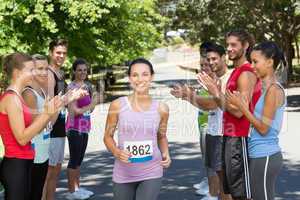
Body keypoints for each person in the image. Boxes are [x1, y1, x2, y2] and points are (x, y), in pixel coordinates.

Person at [198, 29, 261, 200]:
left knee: (242, 194)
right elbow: (226, 107)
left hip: (240, 139)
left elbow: (240, 112)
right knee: (231, 192)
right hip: (228, 137)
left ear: (246, 46)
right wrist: (216, 92)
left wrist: (215, 92)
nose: (229, 48)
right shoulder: (236, 72)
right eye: (228, 45)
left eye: (234, 45)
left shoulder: (246, 73)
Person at [103, 58, 171, 200]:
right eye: (135, 75)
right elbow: (107, 137)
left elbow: (161, 136)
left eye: (145, 74)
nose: (140, 79)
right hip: (123, 172)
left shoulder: (162, 108)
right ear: (129, 78)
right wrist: (116, 152)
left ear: (152, 77)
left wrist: (166, 154)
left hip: (152, 171)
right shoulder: (117, 105)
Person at [171, 42, 232, 200]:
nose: (209, 64)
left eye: (213, 60)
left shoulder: (226, 78)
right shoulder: (213, 79)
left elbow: (212, 104)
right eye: (206, 62)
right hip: (213, 130)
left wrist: (187, 95)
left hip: (222, 134)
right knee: (215, 171)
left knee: (226, 184)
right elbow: (206, 104)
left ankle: (212, 195)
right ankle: (213, 194)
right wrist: (188, 95)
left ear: (223, 58)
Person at [226, 41, 286, 200]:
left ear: (270, 62)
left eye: (255, 61)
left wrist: (242, 107)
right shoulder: (266, 89)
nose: (252, 66)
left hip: (266, 155)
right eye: (251, 61)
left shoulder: (273, 90)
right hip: (258, 154)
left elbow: (264, 128)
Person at [0, 52, 63, 200]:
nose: (33, 73)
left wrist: (50, 111)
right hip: (16, 165)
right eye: (30, 70)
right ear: (17, 72)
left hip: (25, 161)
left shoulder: (17, 97)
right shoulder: (11, 99)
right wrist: (47, 114)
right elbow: (22, 138)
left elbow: (36, 128)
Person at [65, 58, 101, 199]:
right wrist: (92, 104)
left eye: (85, 70)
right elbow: (74, 111)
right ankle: (71, 191)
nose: (82, 72)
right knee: (74, 160)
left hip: (85, 127)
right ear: (74, 71)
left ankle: (77, 188)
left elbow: (88, 111)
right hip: (74, 128)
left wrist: (92, 105)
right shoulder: (71, 88)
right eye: (79, 70)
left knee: (79, 160)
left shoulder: (87, 87)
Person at [21, 54, 54, 200]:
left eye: (46, 68)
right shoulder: (29, 94)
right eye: (39, 68)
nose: (44, 72)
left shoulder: (42, 91)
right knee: (32, 194)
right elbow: (37, 128)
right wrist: (51, 110)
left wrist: (58, 106)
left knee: (38, 192)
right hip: (33, 155)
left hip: (43, 152)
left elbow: (49, 124)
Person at [44, 38, 69, 200]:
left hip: (60, 128)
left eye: (64, 53)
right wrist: (68, 99)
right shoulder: (49, 74)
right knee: (48, 174)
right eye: (58, 52)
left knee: (55, 172)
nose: (61, 56)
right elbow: (48, 105)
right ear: (51, 52)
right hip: (50, 130)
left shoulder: (60, 74)